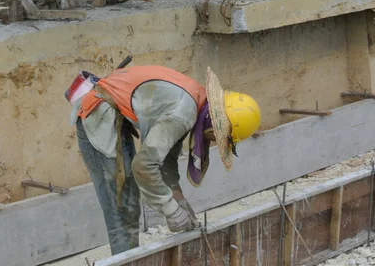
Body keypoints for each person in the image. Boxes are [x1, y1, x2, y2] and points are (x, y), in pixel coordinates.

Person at [67, 65, 261, 255]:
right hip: (97, 114)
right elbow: (144, 166)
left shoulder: (196, 99)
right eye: (215, 137)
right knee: (123, 206)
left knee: (128, 202)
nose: (211, 142)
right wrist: (170, 209)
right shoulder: (182, 113)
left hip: (113, 110)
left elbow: (165, 157)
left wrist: (178, 198)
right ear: (213, 125)